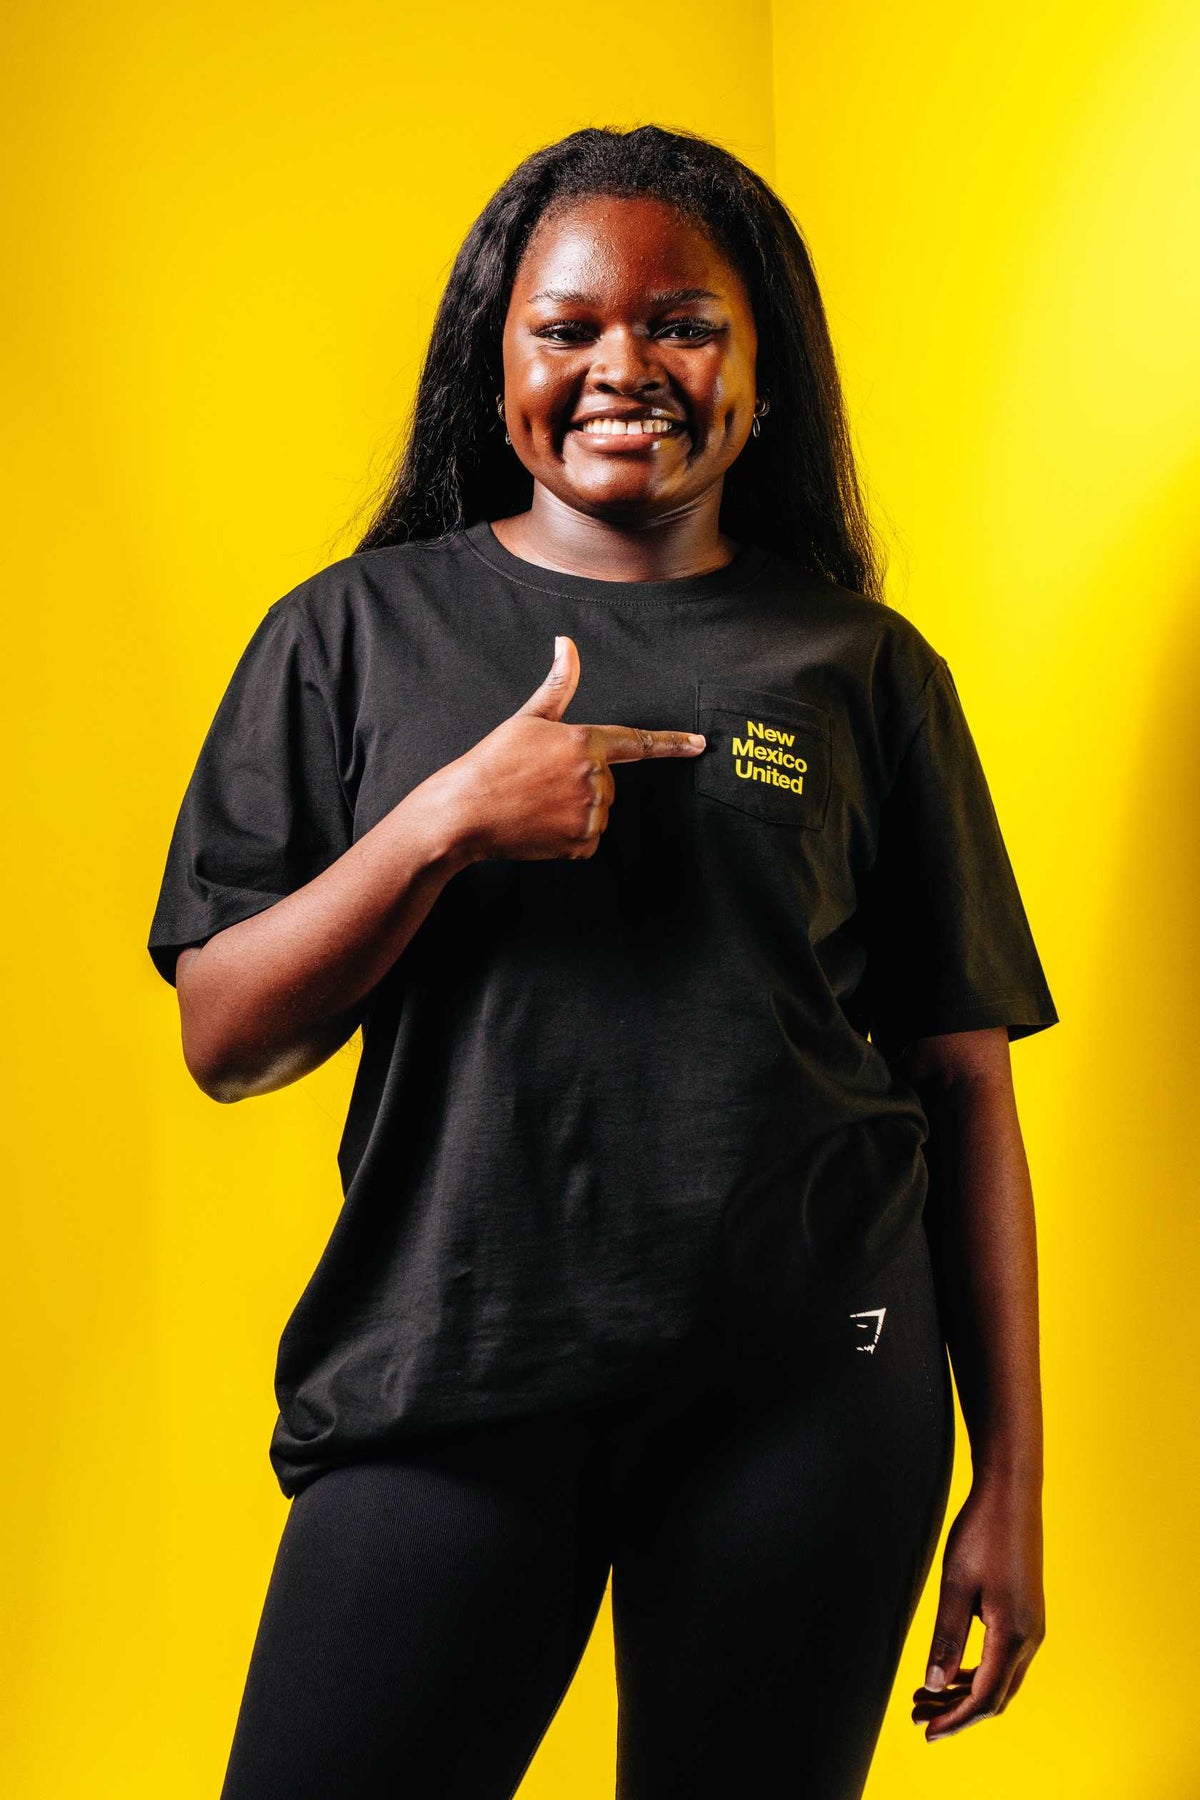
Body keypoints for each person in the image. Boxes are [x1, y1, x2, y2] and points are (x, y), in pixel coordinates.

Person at [146, 124, 1058, 1800]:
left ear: (761, 374)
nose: (623, 366)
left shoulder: (865, 669)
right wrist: (443, 824)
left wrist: (1011, 1483)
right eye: (567, 327)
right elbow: (226, 1036)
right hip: (453, 1364)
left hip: (812, 1393)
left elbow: (963, 1084)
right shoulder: (349, 635)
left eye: (684, 324)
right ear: (496, 367)